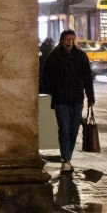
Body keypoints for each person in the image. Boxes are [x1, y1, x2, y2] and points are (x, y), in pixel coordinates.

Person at [40, 29, 94, 172]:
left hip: (77, 98)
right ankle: (66, 159)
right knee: (64, 128)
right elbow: (45, 76)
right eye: (68, 39)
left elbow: (87, 77)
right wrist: (53, 90)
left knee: (74, 129)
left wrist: (91, 97)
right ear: (62, 40)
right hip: (61, 100)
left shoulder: (81, 56)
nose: (70, 41)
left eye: (73, 39)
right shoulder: (54, 56)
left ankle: (67, 156)